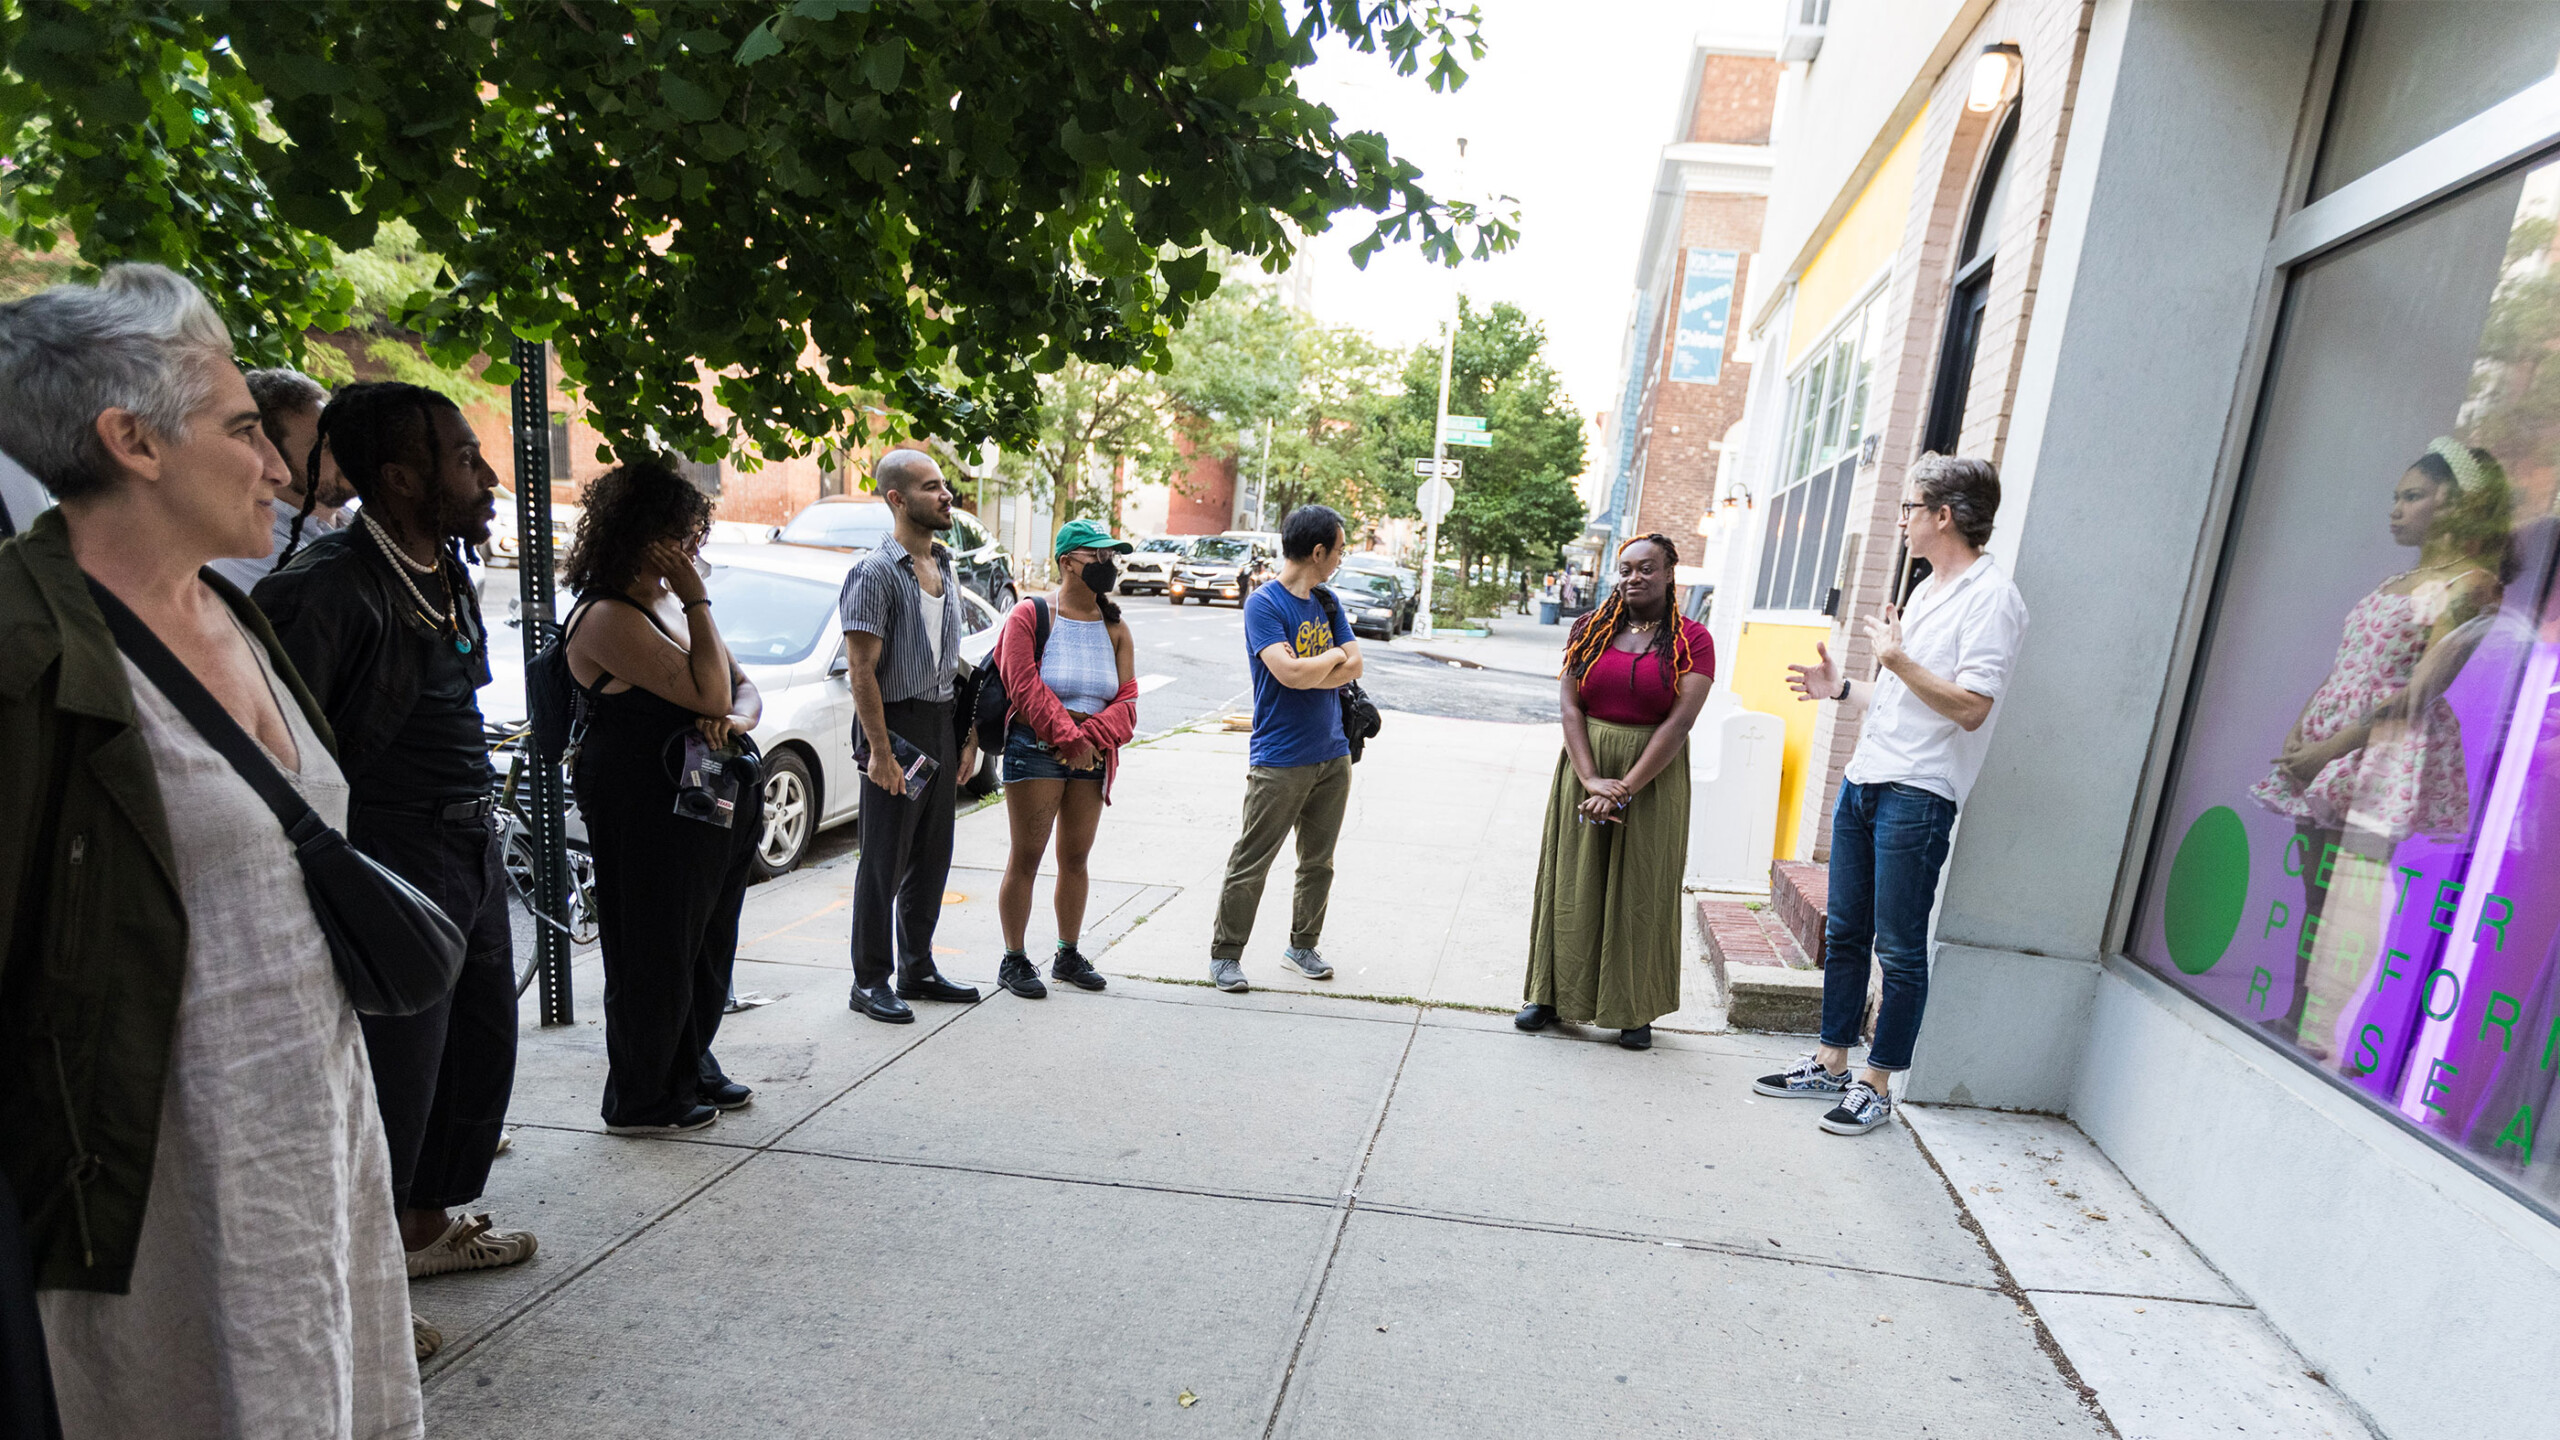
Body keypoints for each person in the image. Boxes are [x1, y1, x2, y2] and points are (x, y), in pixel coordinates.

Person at [0, 264, 422, 1434]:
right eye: (245, 430)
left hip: (310, 1144)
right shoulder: (24, 651)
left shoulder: (231, 610)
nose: (283, 468)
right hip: (159, 1191)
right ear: (130, 440)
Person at [253, 382, 538, 1341]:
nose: (486, 473)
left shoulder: (443, 567)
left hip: (468, 841)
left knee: (475, 1051)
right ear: (400, 477)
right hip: (393, 847)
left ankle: (424, 1230)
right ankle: (366, 1299)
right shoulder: (326, 587)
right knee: (392, 1075)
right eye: (464, 458)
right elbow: (290, 759)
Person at [1756, 454, 2029, 1136]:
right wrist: (1842, 689)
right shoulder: (1930, 586)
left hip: (1918, 793)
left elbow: (1970, 707)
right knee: (1846, 932)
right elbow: (1908, 694)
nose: (1902, 520)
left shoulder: (1993, 599)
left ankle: (1876, 1085)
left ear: (1943, 515)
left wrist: (1899, 659)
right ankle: (1831, 1061)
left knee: (1900, 948)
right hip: (1866, 778)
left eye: (1911, 508)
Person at [2248, 439, 2507, 1059]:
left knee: (2353, 892)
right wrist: (2303, 726)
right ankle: (2297, 1012)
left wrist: (2328, 748)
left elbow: (2418, 693)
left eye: (2412, 497)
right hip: (2332, 741)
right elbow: (2348, 665)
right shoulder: (2400, 580)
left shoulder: (2470, 585)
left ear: (2452, 506)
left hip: (2383, 749)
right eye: (2396, 497)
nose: (2396, 510)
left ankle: (2324, 1024)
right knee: (2316, 889)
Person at [563, 458, 765, 1131]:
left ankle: (689, 1060)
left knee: (705, 938)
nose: (692, 551)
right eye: (681, 537)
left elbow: (742, 690)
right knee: (653, 944)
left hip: (699, 797)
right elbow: (710, 689)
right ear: (640, 534)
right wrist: (697, 599)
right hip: (642, 800)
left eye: (695, 538)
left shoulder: (662, 605)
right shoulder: (606, 615)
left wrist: (735, 719)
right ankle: (644, 1095)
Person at [1515, 534, 1715, 1049]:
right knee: (1571, 884)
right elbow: (1569, 707)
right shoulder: (1588, 629)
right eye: (1625, 570)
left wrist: (1623, 788)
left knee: (1640, 890)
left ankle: (1633, 1010)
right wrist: (1589, 779)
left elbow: (1678, 724)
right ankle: (1549, 996)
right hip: (1584, 768)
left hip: (1652, 777)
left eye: (1646, 568)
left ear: (1670, 572)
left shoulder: (1694, 639)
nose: (1633, 578)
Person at [839, 449, 983, 1022]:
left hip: (940, 722)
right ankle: (869, 980)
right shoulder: (874, 573)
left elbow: (953, 662)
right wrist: (879, 751)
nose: (946, 495)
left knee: (932, 854)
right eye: (931, 487)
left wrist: (965, 736)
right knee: (883, 859)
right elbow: (861, 671)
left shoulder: (944, 565)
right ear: (897, 499)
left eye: (944, 484)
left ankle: (917, 967)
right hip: (894, 726)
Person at [1208, 504, 1361, 993]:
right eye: (1338, 550)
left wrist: (1322, 663)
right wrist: (1330, 661)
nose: (1340, 558)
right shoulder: (1265, 604)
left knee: (1319, 861)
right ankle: (1226, 955)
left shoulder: (1328, 602)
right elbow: (1287, 675)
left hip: (1333, 753)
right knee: (1252, 859)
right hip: (1279, 758)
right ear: (1317, 551)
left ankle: (1303, 945)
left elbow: (1354, 665)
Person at [990, 519, 1140, 998]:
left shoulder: (1116, 628)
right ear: (1067, 561)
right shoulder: (1030, 615)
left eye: (1110, 556)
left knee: (1075, 858)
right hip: (1035, 750)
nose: (1106, 564)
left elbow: (1129, 701)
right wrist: (1068, 738)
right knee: (1027, 857)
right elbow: (1022, 684)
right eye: (1096, 555)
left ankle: (1067, 953)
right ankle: (1014, 959)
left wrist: (1089, 737)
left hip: (1091, 756)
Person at [207, 367, 351, 591]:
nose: (345, 451)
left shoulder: (353, 516)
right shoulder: (256, 551)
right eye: (324, 446)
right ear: (272, 461)